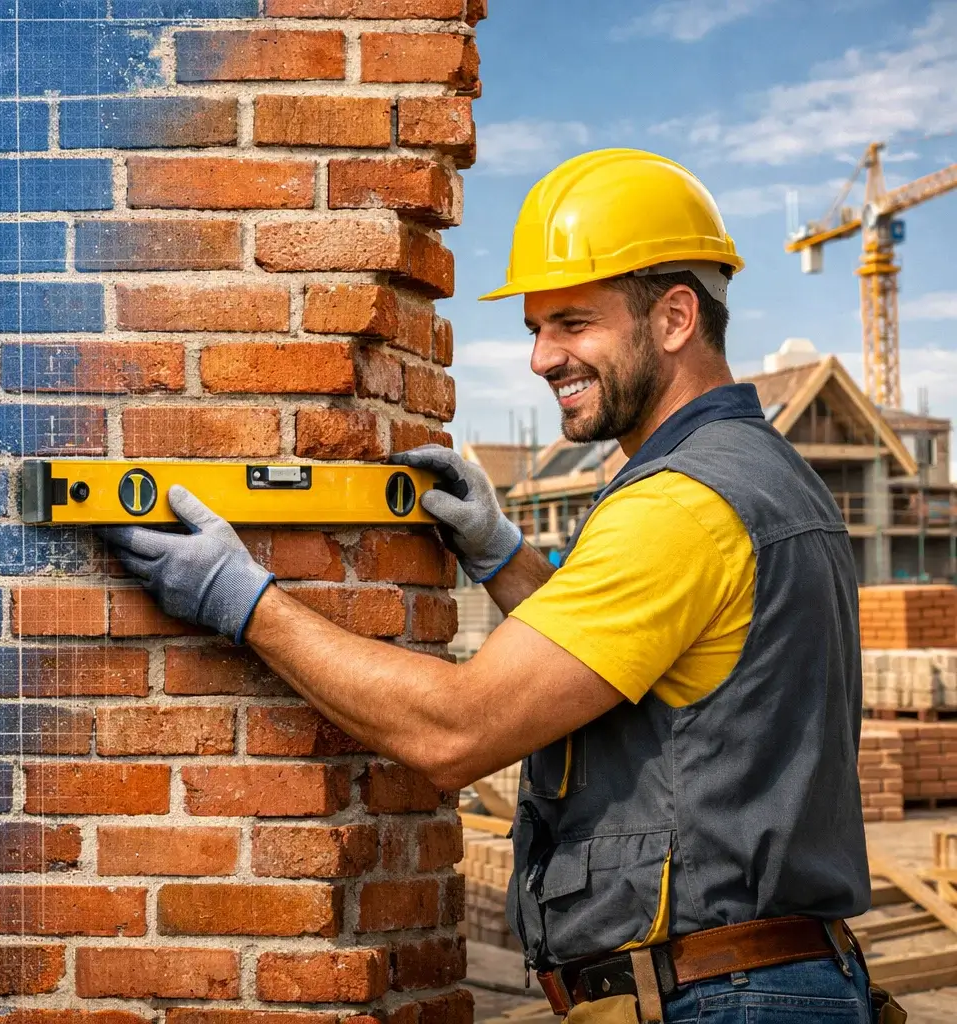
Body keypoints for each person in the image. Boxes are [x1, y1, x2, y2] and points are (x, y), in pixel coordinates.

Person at [100, 149, 894, 1024]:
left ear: (675, 317)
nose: (543, 358)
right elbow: (630, 661)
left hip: (718, 997)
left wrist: (242, 602)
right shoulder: (764, 476)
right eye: (535, 328)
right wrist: (500, 552)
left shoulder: (679, 506)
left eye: (574, 323)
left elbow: (456, 730)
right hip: (767, 982)